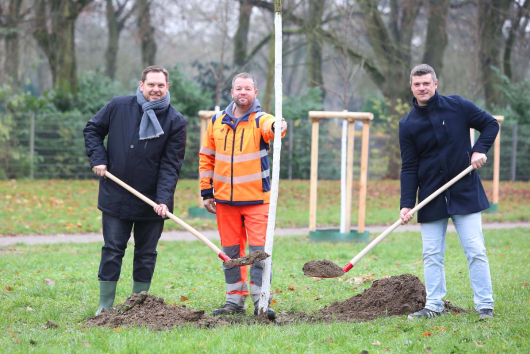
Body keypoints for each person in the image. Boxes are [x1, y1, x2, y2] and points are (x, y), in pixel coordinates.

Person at [83, 65, 187, 315]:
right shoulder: (119, 106)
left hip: (151, 201)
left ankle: (138, 305)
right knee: (112, 250)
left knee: (146, 253)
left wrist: (162, 200)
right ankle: (105, 306)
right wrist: (98, 158)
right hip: (115, 194)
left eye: (161, 85)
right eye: (151, 84)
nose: (156, 89)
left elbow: (170, 165)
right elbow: (92, 130)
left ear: (167, 87)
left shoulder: (176, 121)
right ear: (141, 85)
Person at [399, 64, 498, 320]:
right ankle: (433, 306)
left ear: (435, 83)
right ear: (412, 86)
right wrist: (407, 203)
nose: (422, 88)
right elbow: (409, 167)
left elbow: (489, 125)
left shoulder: (458, 106)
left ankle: (484, 305)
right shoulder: (407, 124)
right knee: (431, 254)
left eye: (426, 83)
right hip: (430, 195)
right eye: (417, 84)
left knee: (475, 250)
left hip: (465, 189)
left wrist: (479, 149)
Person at [199, 72, 287, 320]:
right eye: (239, 88)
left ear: (255, 93)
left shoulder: (261, 119)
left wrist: (278, 126)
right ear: (232, 92)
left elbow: (273, 129)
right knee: (231, 253)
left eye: (248, 89)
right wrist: (207, 191)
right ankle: (234, 300)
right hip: (224, 200)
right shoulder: (216, 121)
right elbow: (206, 157)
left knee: (259, 252)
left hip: (258, 199)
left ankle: (262, 301)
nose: (243, 93)